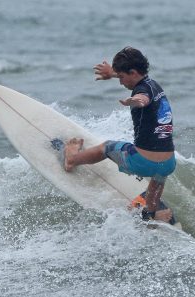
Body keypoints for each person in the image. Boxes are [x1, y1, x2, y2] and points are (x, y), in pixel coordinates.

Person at [63, 47, 176, 222]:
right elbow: (142, 89)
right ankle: (151, 215)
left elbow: (143, 98)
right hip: (168, 163)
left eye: (121, 77)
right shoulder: (154, 85)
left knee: (107, 147)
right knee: (157, 180)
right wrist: (113, 73)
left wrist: (135, 100)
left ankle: (71, 160)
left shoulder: (142, 92)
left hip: (142, 162)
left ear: (132, 72)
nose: (121, 82)